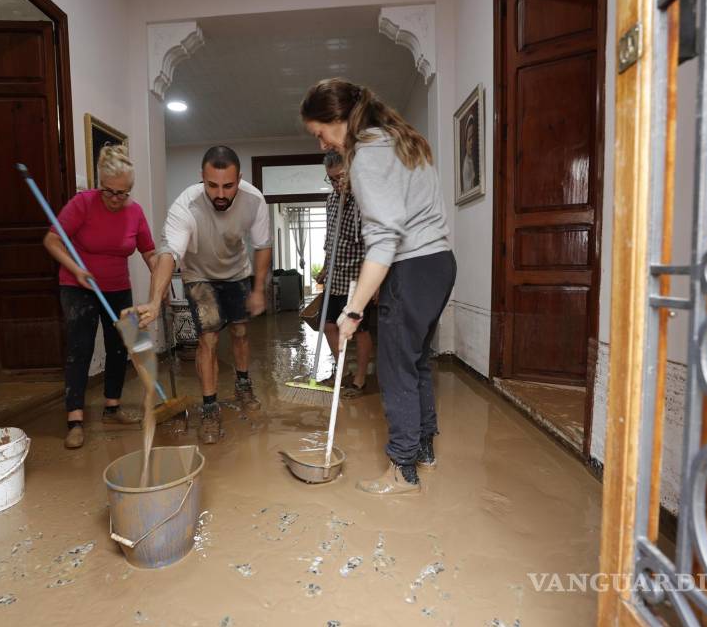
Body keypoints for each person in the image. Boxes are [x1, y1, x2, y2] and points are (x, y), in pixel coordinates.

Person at [301, 78, 456, 496]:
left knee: (394, 369)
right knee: (417, 361)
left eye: (321, 134)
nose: (322, 145)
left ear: (339, 120)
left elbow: (384, 241)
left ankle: (402, 469)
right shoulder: (399, 139)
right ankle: (423, 449)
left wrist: (352, 310)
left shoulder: (367, 155)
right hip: (440, 264)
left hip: (410, 266)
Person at [131, 146, 273, 444]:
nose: (220, 194)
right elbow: (168, 254)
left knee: (240, 332)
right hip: (198, 276)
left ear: (239, 179)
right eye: (212, 185)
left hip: (236, 273)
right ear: (202, 179)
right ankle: (209, 408)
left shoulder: (254, 200)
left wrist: (259, 289)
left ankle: (243, 384)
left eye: (228, 186)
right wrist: (155, 300)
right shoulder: (185, 206)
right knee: (208, 338)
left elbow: (262, 246)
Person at [43, 144, 156, 449]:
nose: (117, 199)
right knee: (80, 347)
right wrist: (75, 270)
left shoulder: (135, 211)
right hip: (78, 286)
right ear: (99, 185)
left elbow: (149, 252)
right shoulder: (83, 204)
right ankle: (75, 419)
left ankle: (112, 407)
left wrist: (163, 281)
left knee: (122, 345)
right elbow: (51, 240)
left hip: (119, 287)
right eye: (111, 192)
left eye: (124, 192)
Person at [315, 150, 373, 398]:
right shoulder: (331, 201)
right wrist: (325, 269)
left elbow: (374, 245)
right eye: (332, 180)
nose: (337, 184)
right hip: (335, 276)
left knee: (359, 330)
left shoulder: (365, 202)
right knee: (328, 325)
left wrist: (374, 284)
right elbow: (331, 240)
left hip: (358, 278)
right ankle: (342, 371)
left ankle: (359, 379)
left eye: (341, 178)